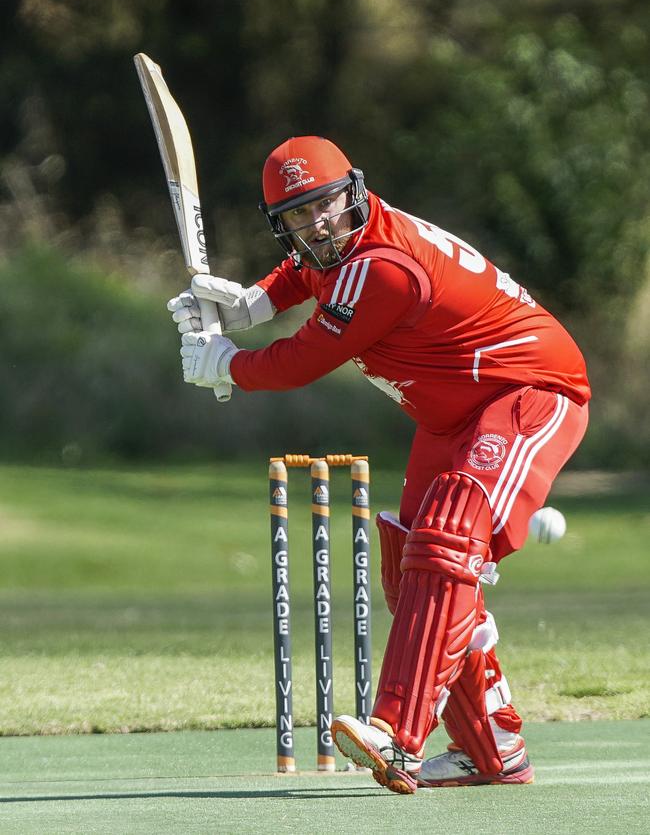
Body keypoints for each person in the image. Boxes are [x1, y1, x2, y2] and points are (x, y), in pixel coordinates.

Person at [168, 136, 590, 794]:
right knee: (409, 560)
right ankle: (491, 748)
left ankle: (398, 733)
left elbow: (303, 358)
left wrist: (226, 362)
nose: (318, 225)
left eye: (327, 206)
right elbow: (307, 272)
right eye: (299, 217)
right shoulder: (337, 247)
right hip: (452, 415)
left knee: (449, 537)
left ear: (354, 192)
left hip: (526, 392)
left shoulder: (384, 266)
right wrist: (251, 304)